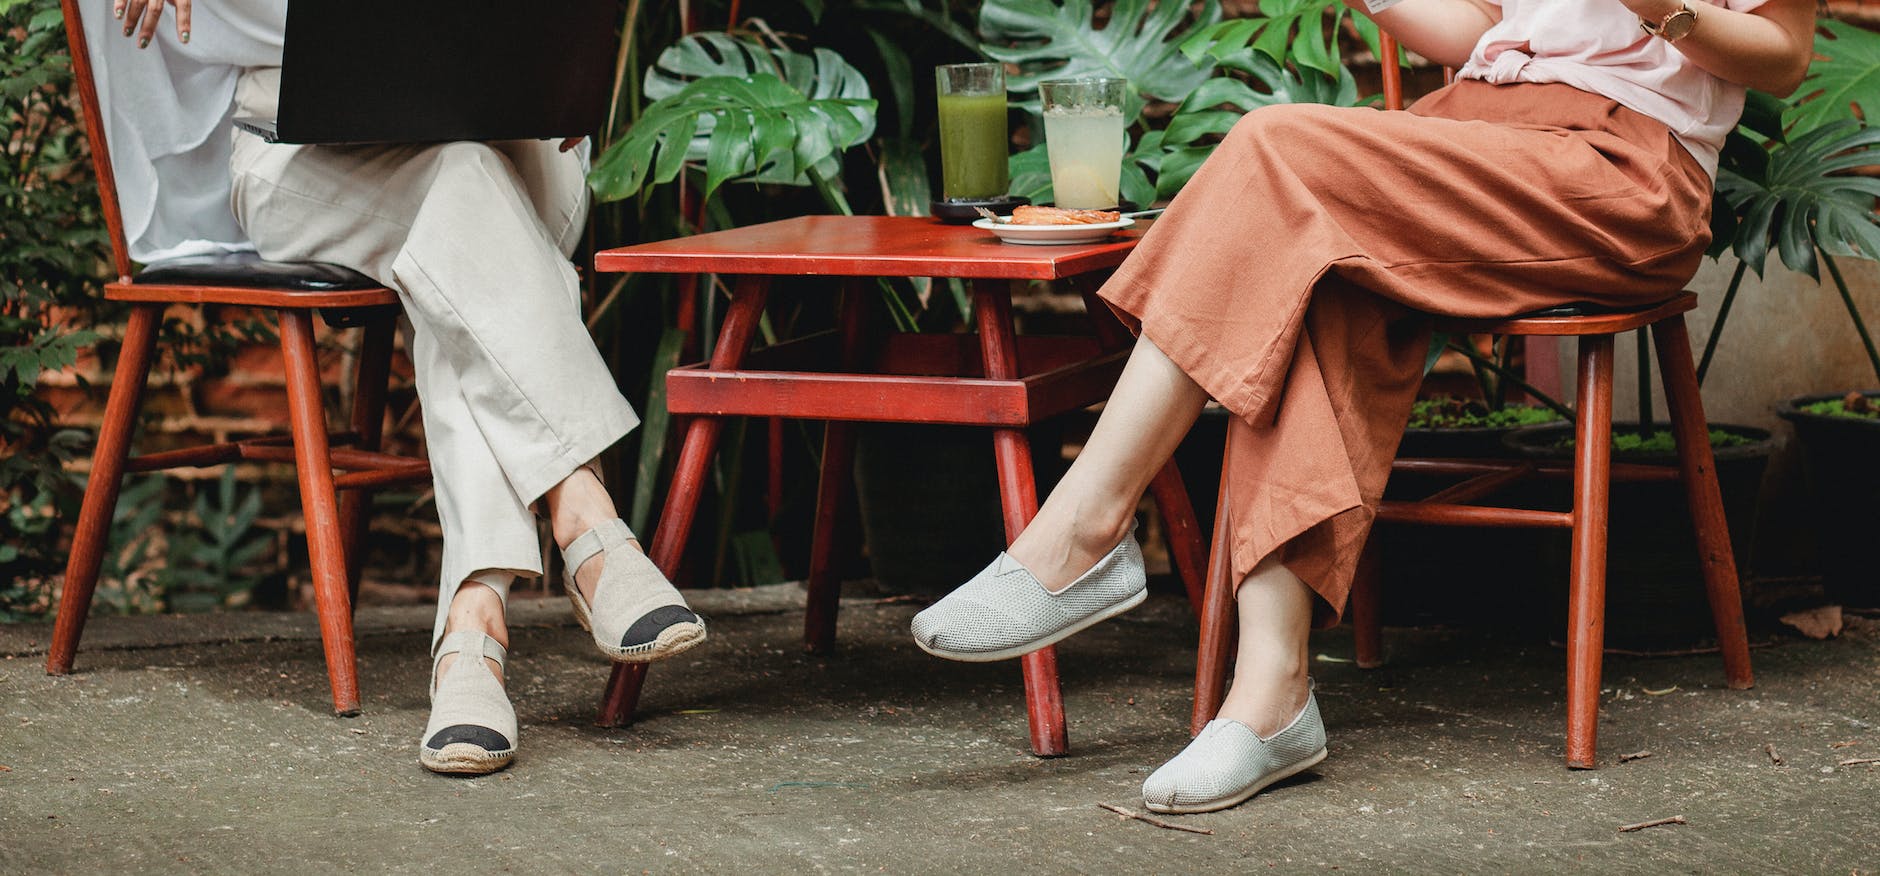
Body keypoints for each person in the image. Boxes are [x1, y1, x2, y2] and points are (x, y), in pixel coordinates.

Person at [912, 0, 1816, 814]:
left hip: (1620, 169)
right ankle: (1272, 695)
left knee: (1275, 149)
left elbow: (1783, 54)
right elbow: (1487, 32)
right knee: (1317, 279)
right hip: (1479, 133)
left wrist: (1671, 11)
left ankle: (1084, 529)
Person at [101, 0, 706, 775]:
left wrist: (556, 60)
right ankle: (572, 529)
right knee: (460, 200)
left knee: (464, 195)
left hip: (522, 152)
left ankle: (476, 637)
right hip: (302, 162)